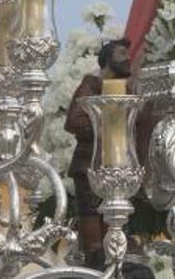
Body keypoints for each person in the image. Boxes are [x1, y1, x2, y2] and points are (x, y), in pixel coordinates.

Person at [64, 37, 134, 270]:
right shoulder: (90, 86)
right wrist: (104, 127)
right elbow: (73, 121)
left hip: (119, 167)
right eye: (121, 54)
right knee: (92, 228)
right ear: (107, 59)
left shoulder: (127, 89)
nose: (128, 59)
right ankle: (93, 268)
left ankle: (114, 268)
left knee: (115, 228)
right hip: (90, 166)